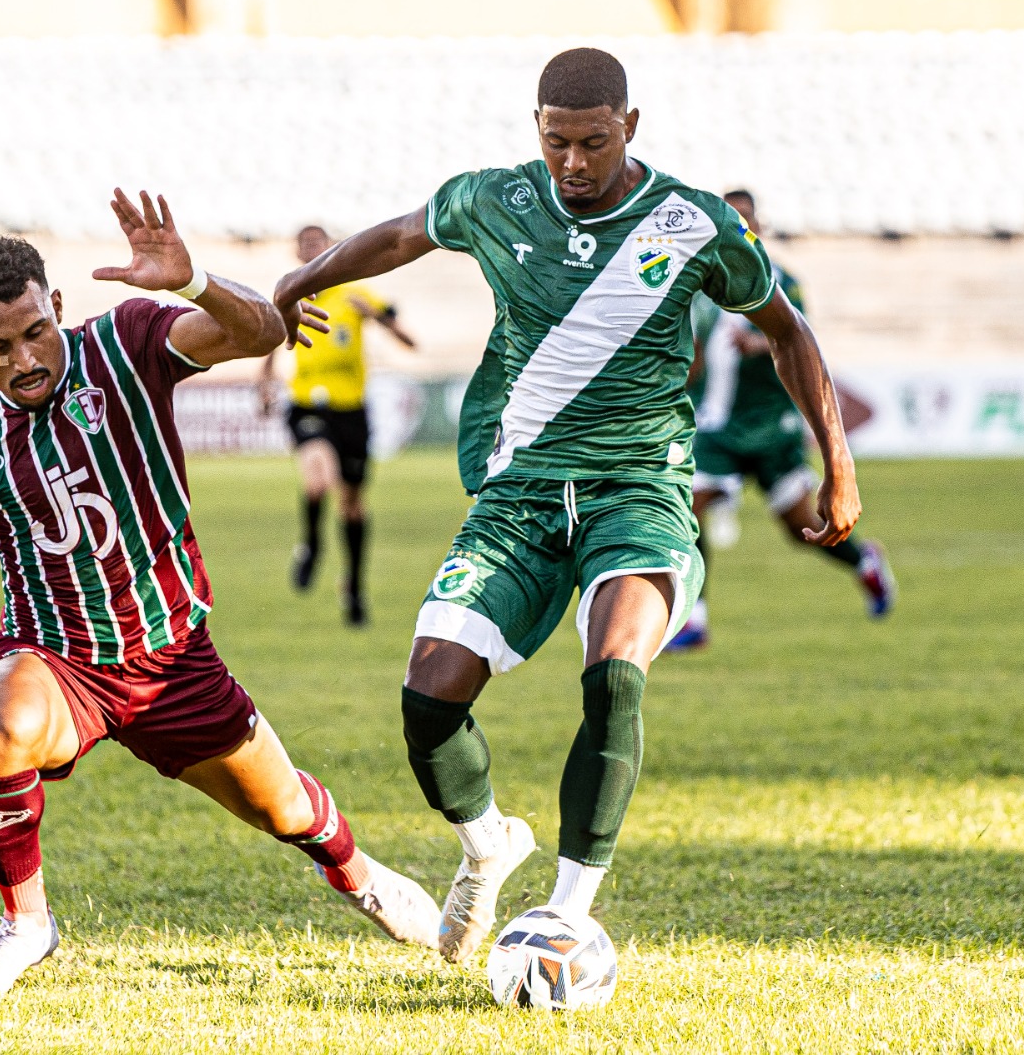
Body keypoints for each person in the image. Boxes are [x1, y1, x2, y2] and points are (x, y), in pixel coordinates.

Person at [0, 190, 440, 996]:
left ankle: (359, 874)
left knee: (289, 814)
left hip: (173, 657)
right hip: (57, 662)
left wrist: (193, 285)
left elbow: (260, 330)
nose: (25, 360)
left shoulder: (126, 344)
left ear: (58, 305)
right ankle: (25, 924)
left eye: (36, 332)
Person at [272, 49, 862, 962]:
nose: (575, 164)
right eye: (557, 144)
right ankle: (487, 843)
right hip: (518, 496)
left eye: (593, 142)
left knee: (616, 670)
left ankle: (569, 913)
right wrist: (302, 282)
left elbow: (786, 330)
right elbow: (398, 235)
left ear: (631, 124)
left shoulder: (690, 222)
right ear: (536, 131)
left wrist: (839, 460)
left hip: (639, 489)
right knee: (428, 702)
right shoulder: (496, 200)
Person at [667, 190, 895, 652]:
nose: (738, 229)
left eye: (745, 221)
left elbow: (796, 342)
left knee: (802, 528)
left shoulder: (782, 281)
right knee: (689, 511)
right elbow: (693, 351)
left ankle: (863, 561)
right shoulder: (699, 285)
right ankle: (695, 619)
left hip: (772, 426)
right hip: (715, 427)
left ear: (758, 227)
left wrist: (759, 347)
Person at [258, 225, 419, 627]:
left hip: (352, 411)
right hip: (307, 406)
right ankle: (311, 545)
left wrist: (377, 318)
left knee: (352, 505)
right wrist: (264, 383)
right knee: (317, 481)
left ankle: (353, 586)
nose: (311, 248)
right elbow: (269, 342)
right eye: (304, 243)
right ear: (297, 253)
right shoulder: (288, 296)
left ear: (330, 248)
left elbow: (407, 340)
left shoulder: (355, 294)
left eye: (318, 242)